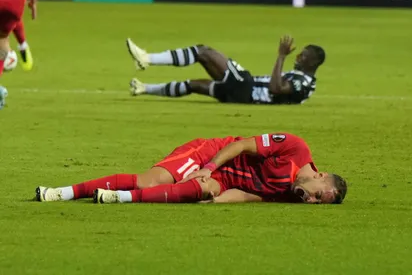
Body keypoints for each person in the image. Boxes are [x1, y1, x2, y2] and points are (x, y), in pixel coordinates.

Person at [36, 132, 348, 205]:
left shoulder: (291, 194)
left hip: (222, 180)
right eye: (320, 196)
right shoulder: (295, 147)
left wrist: (214, 199)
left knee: (204, 191)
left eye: (318, 204)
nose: (311, 202)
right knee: (147, 182)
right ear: (321, 176)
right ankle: (62, 193)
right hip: (211, 155)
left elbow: (248, 195)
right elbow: (240, 146)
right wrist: (208, 166)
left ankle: (116, 198)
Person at [126, 36, 325, 105]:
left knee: (203, 51)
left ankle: (147, 59)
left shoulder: (303, 82)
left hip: (245, 88)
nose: (299, 57)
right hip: (241, 95)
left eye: (304, 56)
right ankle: (144, 88)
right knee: (195, 85)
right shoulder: (304, 80)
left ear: (313, 63)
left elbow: (276, 89)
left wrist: (281, 56)